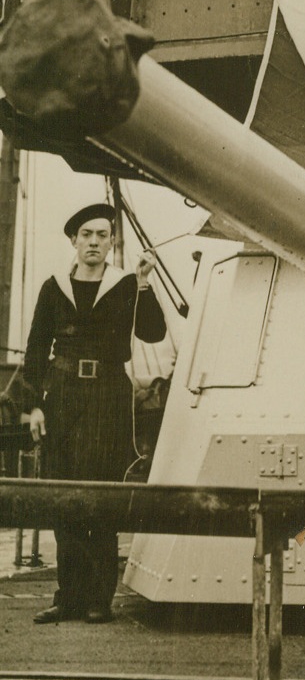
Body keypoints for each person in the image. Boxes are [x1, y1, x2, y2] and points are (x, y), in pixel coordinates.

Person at [24, 203, 166, 624]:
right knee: (64, 493)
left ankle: (97, 600)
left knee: (102, 493)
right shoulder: (54, 287)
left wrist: (143, 283)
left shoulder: (125, 285)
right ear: (74, 240)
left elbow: (153, 332)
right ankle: (67, 596)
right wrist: (34, 404)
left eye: (102, 235)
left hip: (108, 395)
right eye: (86, 234)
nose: (94, 242)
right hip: (62, 396)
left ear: (111, 242)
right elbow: (35, 349)